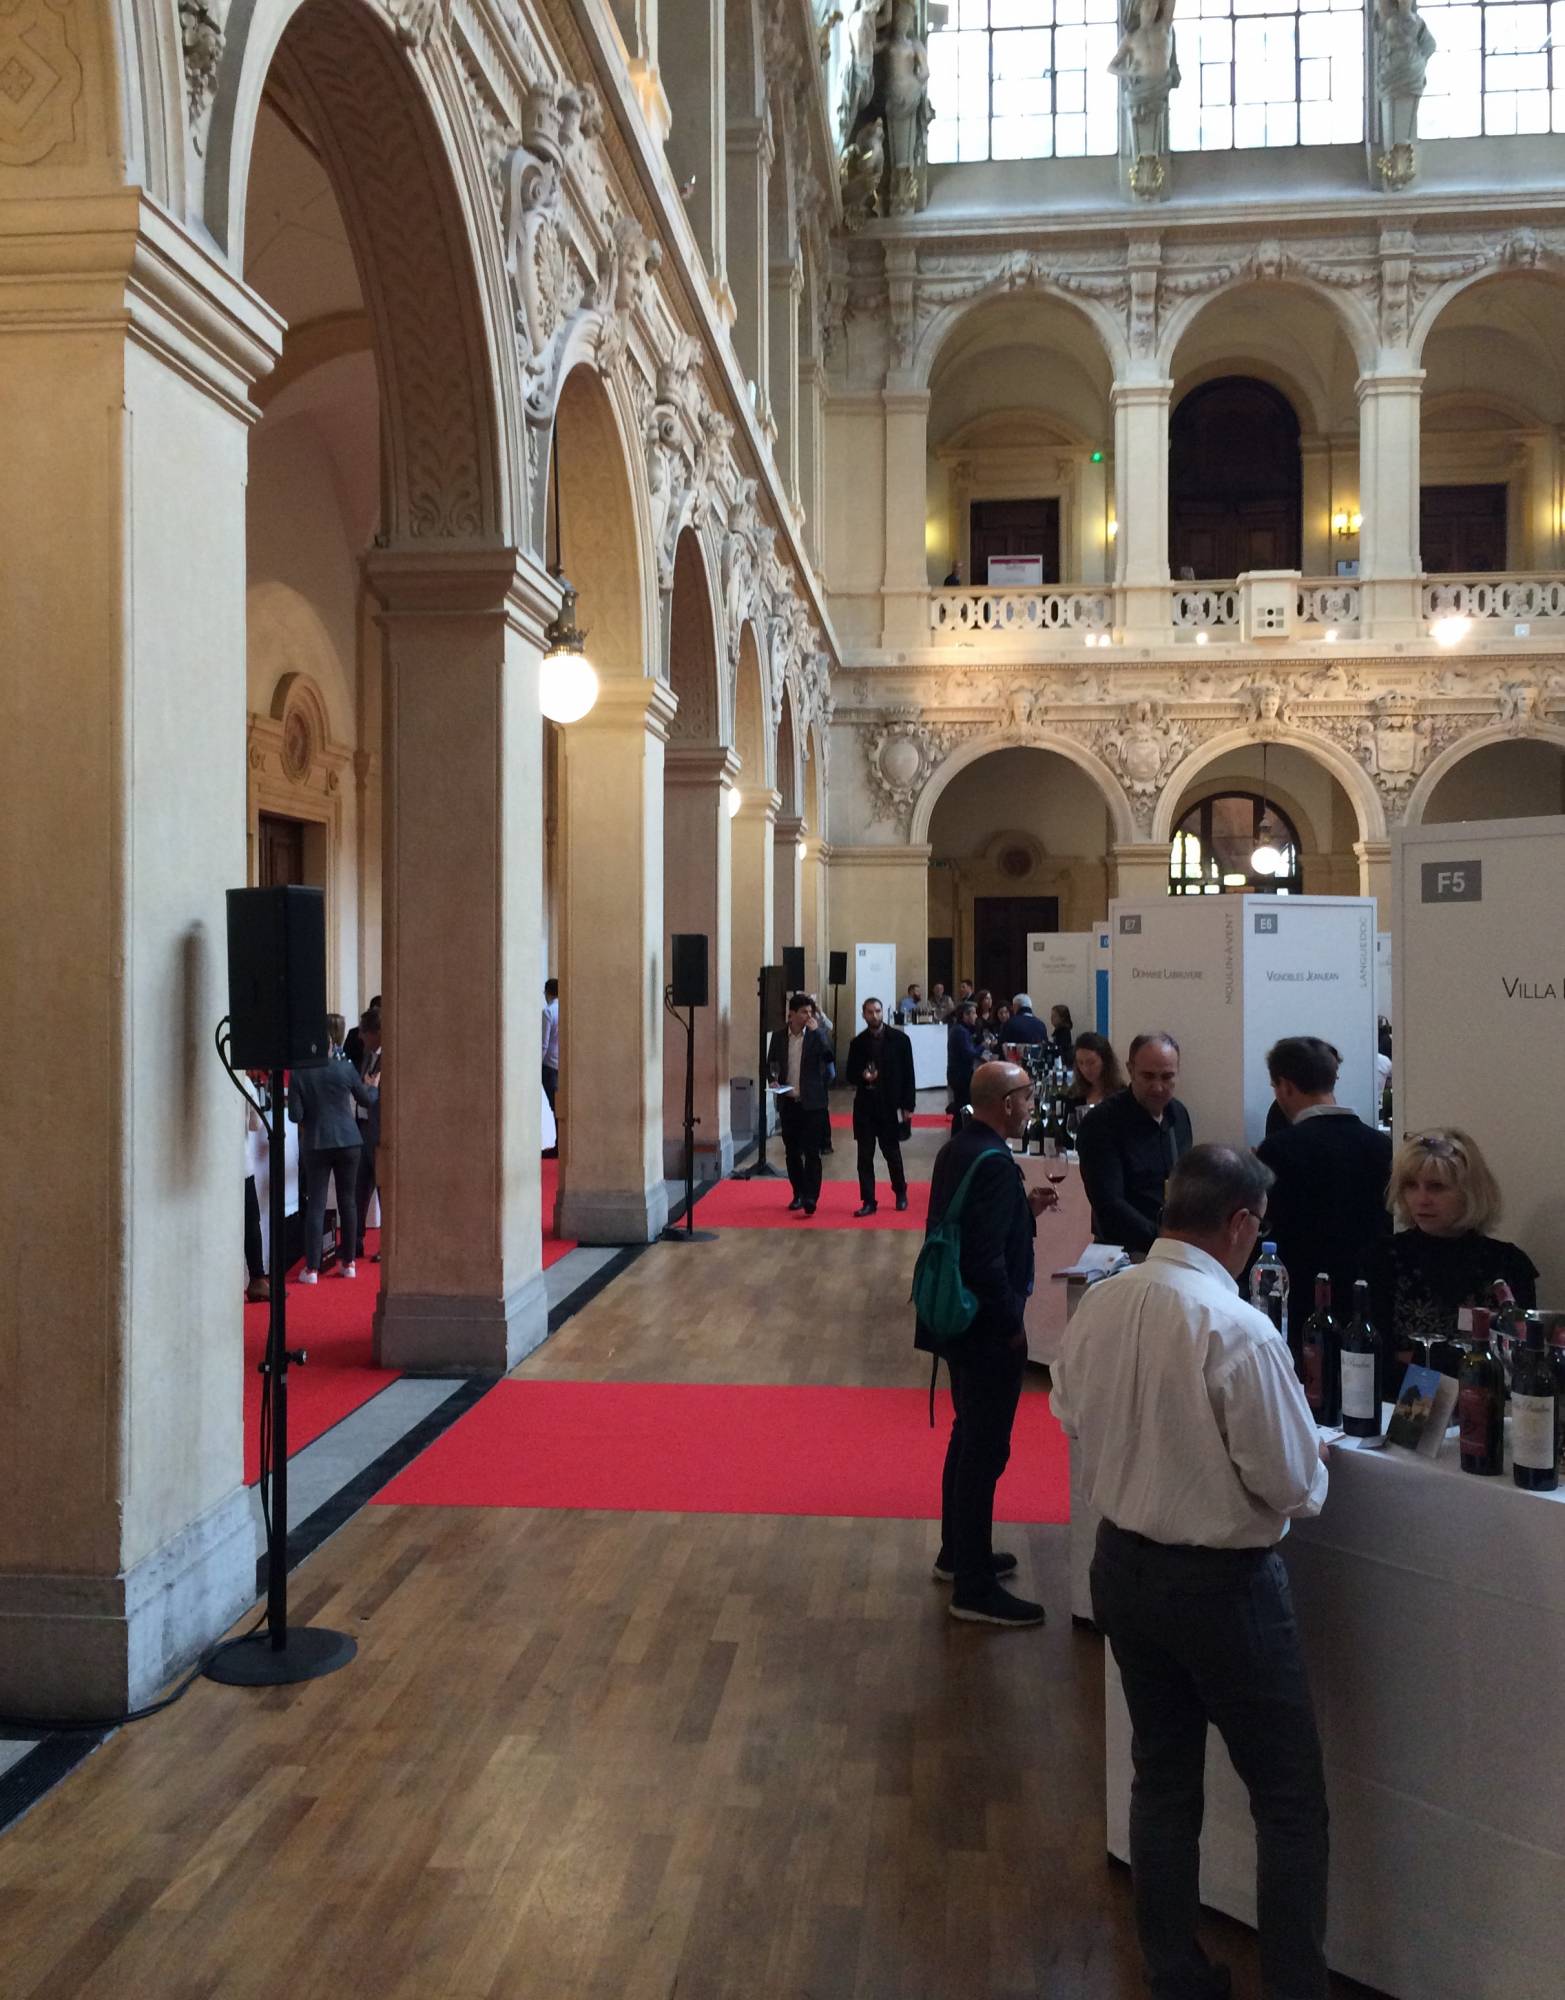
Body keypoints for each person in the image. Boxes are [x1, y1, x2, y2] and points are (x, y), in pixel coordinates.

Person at [1052, 1146, 1331, 2000]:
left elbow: (1067, 1409)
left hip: (1120, 1566)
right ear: (1240, 1223)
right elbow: (1292, 1485)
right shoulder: (1237, 1328)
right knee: (1286, 1801)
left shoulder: (1102, 1301)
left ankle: (1174, 1973)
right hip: (1221, 1589)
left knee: (1163, 1779)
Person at [917, 1061, 1059, 1626]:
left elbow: (970, 1228)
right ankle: (973, 1588)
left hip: (956, 1321)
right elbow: (985, 1259)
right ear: (1005, 1103)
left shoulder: (959, 1147)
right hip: (985, 1328)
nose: (1031, 1106)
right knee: (985, 1451)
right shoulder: (996, 1162)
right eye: (1027, 1097)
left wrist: (1024, 1209)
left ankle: (958, 1554)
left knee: (967, 1437)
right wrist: (1011, 1327)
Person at [1255, 1035, 1392, 1341]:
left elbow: (1268, 1229)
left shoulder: (1278, 1150)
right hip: (1369, 1296)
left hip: (1304, 1300)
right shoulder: (1382, 1146)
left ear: (1284, 1086)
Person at [1363, 1128, 1537, 1367]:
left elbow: (1522, 1360)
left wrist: (1420, 1358)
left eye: (1436, 1187)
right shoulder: (1383, 1258)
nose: (1421, 1199)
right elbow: (1374, 1355)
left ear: (1469, 1192)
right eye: (1411, 1185)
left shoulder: (1510, 1264)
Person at [1076, 1031, 1193, 1253]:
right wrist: (1163, 1240)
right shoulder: (1101, 1122)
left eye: (1167, 1077)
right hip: (1123, 1251)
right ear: (1130, 1070)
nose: (1158, 1087)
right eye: (1148, 1076)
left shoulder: (1178, 1114)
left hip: (1170, 1246)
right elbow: (1109, 1206)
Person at [288, 1013, 378, 1283]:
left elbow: (295, 1115)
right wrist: (373, 1088)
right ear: (331, 1043)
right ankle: (348, 1263)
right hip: (349, 1139)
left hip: (316, 1142)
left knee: (316, 1203)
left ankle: (312, 1269)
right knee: (348, 1201)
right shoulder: (345, 1068)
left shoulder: (300, 1072)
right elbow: (365, 1099)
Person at [846, 996, 917, 1216]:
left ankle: (900, 1192)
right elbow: (849, 1075)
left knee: (892, 1153)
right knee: (864, 1157)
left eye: (877, 1011)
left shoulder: (900, 1040)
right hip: (865, 1107)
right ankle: (868, 1200)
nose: (874, 1015)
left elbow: (909, 1074)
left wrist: (908, 1105)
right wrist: (862, 1076)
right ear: (863, 1014)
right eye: (870, 1012)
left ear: (882, 1012)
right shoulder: (857, 1043)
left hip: (890, 1105)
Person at [767, 994, 835, 1215]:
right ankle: (798, 1193)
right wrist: (772, 1080)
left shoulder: (816, 1035)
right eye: (804, 1012)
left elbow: (829, 1056)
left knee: (812, 1152)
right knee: (792, 1152)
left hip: (813, 1103)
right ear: (792, 1014)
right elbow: (770, 1064)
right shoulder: (778, 1037)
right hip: (789, 1102)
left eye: (810, 1012)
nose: (808, 1016)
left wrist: (818, 1032)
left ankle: (811, 1197)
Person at [353, 1005, 383, 1264]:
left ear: (376, 1032)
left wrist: (370, 1090)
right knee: (359, 1187)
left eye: (364, 1031)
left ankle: (388, 1245)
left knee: (384, 1189)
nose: (360, 1036)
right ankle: (355, 1241)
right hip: (362, 1129)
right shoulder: (368, 1055)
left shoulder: (391, 1057)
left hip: (382, 1132)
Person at [946, 999, 982, 1135]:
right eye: (973, 1013)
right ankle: (958, 1136)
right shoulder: (960, 1032)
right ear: (965, 1015)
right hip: (961, 1075)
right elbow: (969, 1053)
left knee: (961, 1105)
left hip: (958, 1073)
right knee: (962, 1106)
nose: (976, 1016)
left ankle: (959, 1135)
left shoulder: (961, 1030)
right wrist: (983, 1046)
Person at [1068, 1031, 1125, 1111]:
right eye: (1080, 1063)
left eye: (1091, 1062)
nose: (1086, 1069)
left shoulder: (1121, 1095)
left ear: (1105, 1061)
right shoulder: (1074, 1094)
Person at [541, 976, 560, 1137]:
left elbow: (544, 1043)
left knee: (553, 1105)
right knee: (561, 1105)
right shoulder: (565, 1010)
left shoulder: (548, 1012)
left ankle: (558, 1142)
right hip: (562, 1063)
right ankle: (561, 1141)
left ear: (548, 992)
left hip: (549, 1065)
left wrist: (537, 1064)